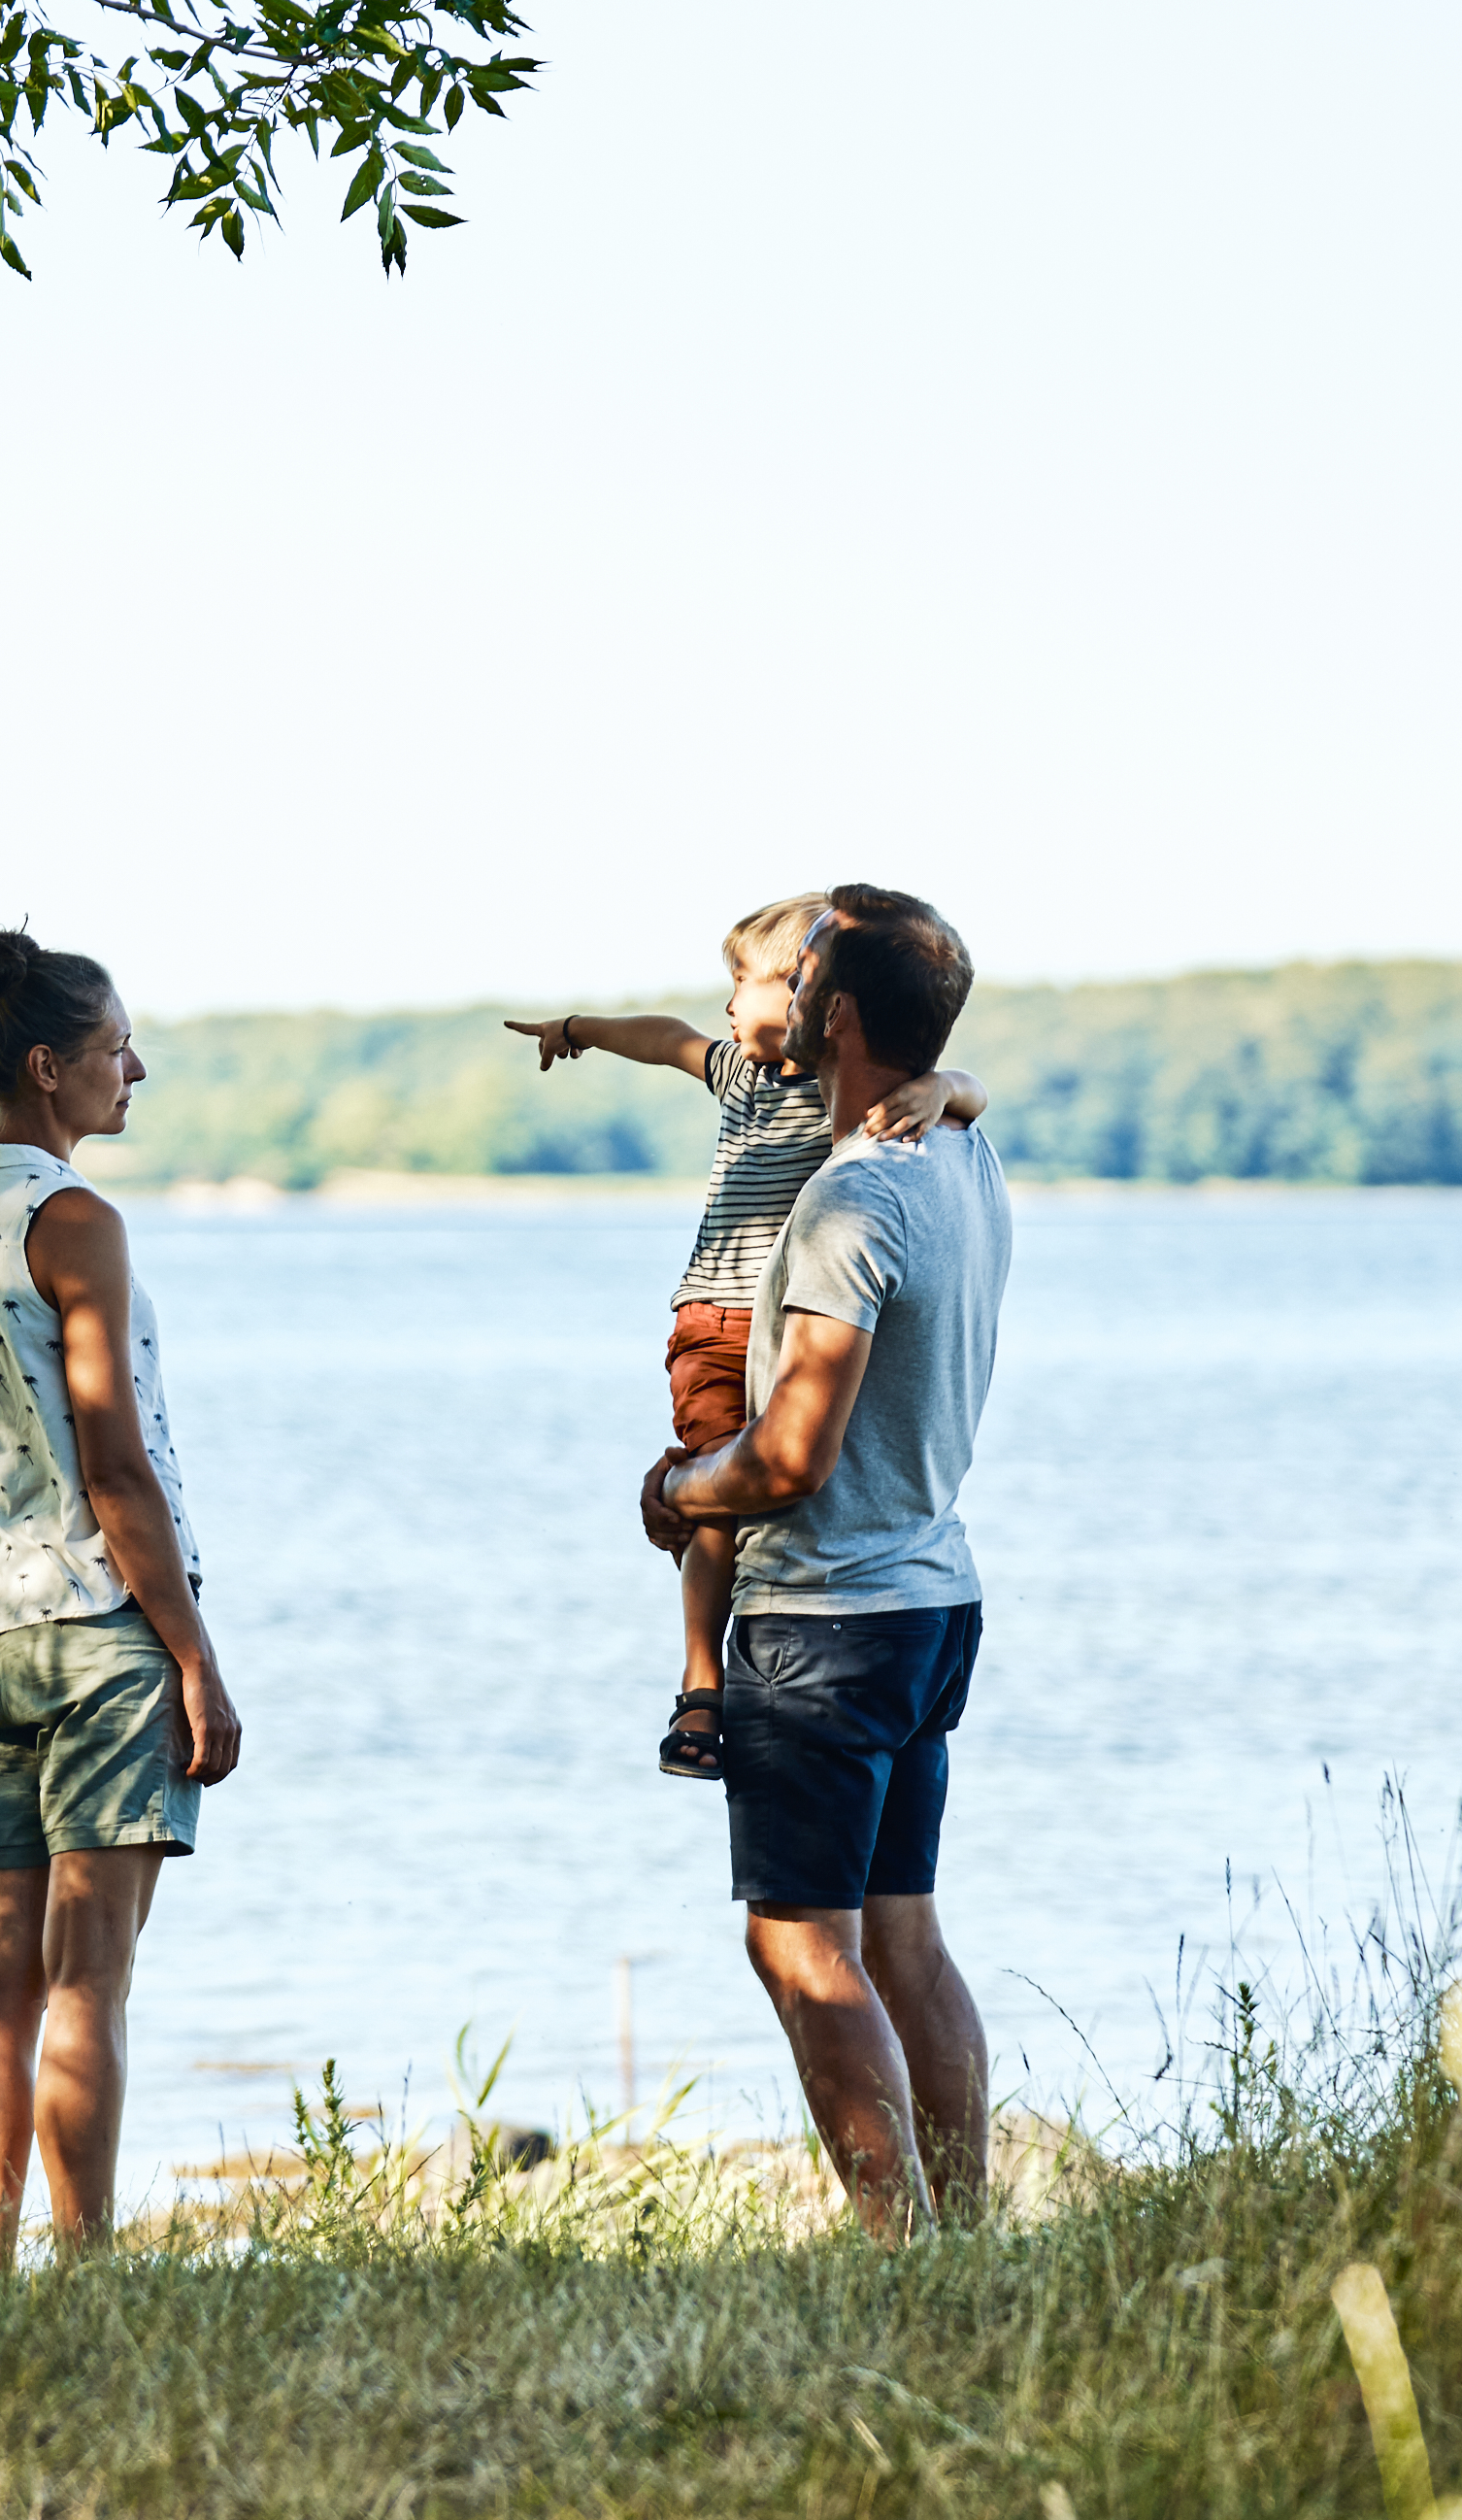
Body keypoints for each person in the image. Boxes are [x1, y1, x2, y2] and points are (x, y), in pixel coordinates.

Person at [639, 888, 1009, 2234]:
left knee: (800, 1937)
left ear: (836, 1012)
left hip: (825, 1619)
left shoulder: (856, 1194)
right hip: (928, 1602)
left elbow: (788, 1456)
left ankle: (898, 2239)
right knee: (903, 1927)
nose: (783, 1005)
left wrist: (682, 1485)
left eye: (803, 986)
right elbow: (951, 1089)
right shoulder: (964, 1152)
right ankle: (965, 2233)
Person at [0, 924, 241, 2266]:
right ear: (49, 1067)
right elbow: (117, 1461)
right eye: (114, 1048)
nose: (135, 1067)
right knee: (88, 1970)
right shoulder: (76, 1218)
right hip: (98, 1629)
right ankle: (85, 2266)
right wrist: (196, 1657)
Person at [508, 904, 980, 1780]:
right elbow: (663, 1038)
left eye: (746, 982)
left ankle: (708, 1684)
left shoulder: (838, 1085)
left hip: (786, 1327)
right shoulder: (740, 1075)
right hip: (712, 1322)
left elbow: (970, 1089)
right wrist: (576, 1030)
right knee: (716, 1490)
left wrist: (942, 1087)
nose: (728, 1004)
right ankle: (700, 1682)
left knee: (742, 1485)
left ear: (817, 996)